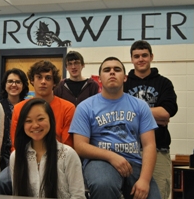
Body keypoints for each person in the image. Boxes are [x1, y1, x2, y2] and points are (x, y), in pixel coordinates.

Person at [69, 57, 161, 199]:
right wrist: (112, 156)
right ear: (99, 78)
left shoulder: (140, 106)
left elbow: (149, 145)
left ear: (124, 78)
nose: (112, 73)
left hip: (134, 163)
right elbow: (80, 146)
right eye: (107, 70)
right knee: (103, 184)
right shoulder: (85, 107)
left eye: (117, 70)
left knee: (151, 196)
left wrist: (144, 180)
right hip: (100, 162)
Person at [0, 60, 75, 195]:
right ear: (32, 81)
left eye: (48, 78)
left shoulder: (68, 108)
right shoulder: (19, 108)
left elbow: (67, 144)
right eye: (39, 77)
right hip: (24, 159)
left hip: (55, 160)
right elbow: (16, 142)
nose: (43, 81)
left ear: (54, 82)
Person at [124, 40, 178, 199]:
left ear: (151, 57)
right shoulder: (124, 84)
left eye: (144, 55)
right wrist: (155, 116)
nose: (141, 59)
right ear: (132, 59)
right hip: (128, 151)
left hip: (159, 150)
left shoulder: (164, 83)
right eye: (136, 56)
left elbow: (166, 113)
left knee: (159, 194)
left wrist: (133, 112)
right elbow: (118, 113)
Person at [10, 98, 85, 198]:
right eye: (28, 121)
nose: (35, 125)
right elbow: (17, 194)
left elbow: (78, 196)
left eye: (40, 119)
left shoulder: (67, 155)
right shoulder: (16, 156)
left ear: (51, 119)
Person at [0, 68, 29, 170]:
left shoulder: (28, 106)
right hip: (2, 155)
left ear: (23, 85)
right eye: (10, 81)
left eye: (18, 82)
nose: (14, 85)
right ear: (4, 84)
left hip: (24, 152)